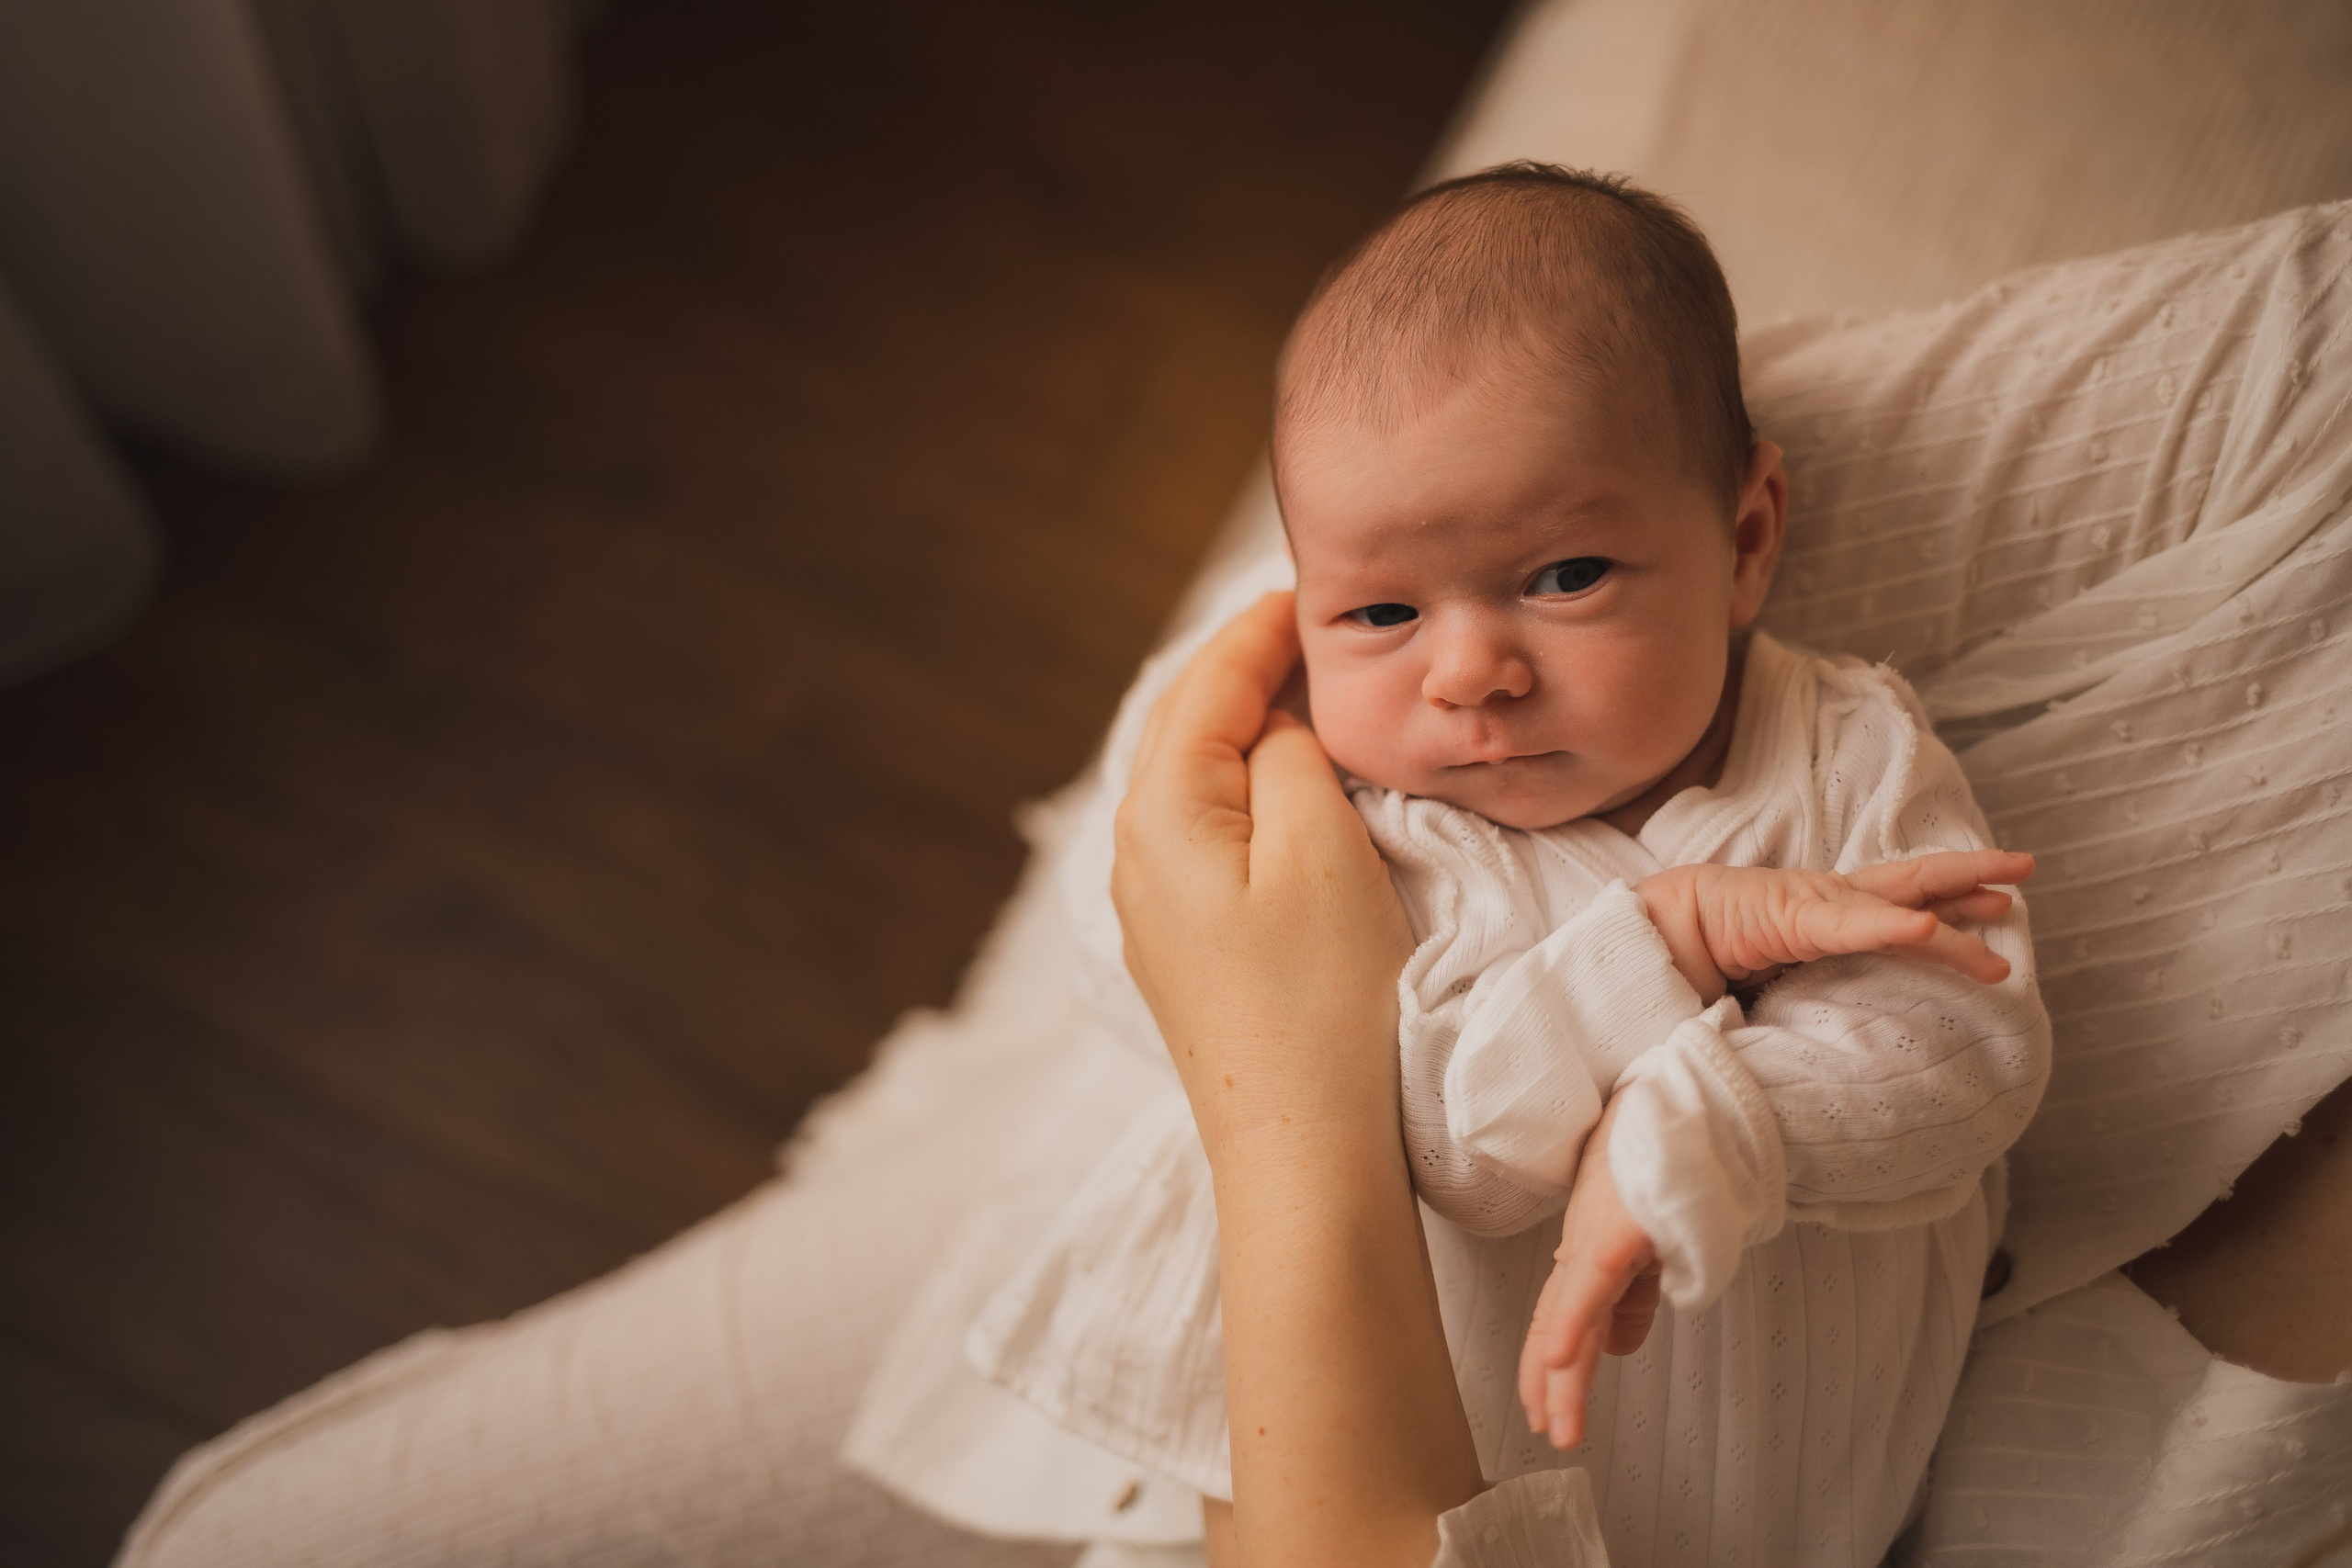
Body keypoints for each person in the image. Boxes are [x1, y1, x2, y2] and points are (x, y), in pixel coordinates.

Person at [956, 166, 2052, 1566]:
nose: (1470, 671)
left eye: (1567, 575)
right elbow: (1409, 1142)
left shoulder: (1834, 756)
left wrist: (1724, 1123)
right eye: (1385, 608)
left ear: (1745, 541)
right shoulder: (1357, 821)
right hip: (1324, 1467)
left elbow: (1971, 1044)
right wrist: (1665, 946)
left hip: (1771, 1496)